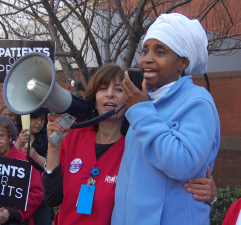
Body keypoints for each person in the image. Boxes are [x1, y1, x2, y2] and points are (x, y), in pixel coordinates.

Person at [41, 63, 217, 225]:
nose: (110, 93)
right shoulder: (74, 136)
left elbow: (166, 185)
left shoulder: (140, 144)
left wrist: (210, 195)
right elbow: (52, 198)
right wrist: (53, 147)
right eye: (103, 88)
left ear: (131, 99)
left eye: (118, 89)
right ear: (94, 96)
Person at [112, 13, 220, 225]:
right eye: (145, 51)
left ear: (182, 62)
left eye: (160, 52)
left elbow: (183, 163)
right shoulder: (145, 100)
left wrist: (142, 110)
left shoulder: (198, 101)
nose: (147, 59)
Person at [15, 107, 52, 225]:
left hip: (40, 196)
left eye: (42, 119)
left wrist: (36, 156)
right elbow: (7, 164)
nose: (39, 123)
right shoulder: (13, 136)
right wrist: (18, 144)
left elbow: (52, 168)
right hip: (18, 195)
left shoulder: (49, 139)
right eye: (35, 119)